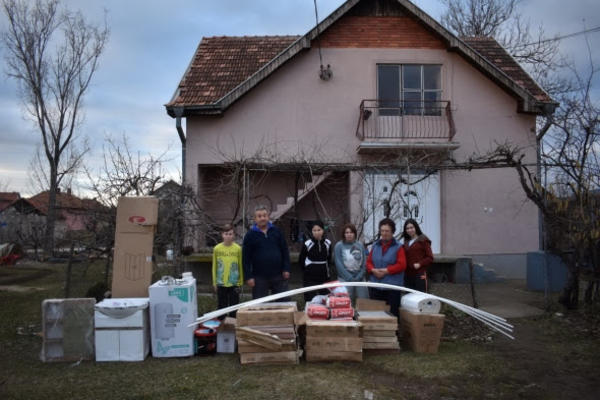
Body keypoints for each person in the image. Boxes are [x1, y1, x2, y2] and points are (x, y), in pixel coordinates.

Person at [242, 205, 291, 299]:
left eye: (264, 215)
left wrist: (286, 268)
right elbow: (245, 258)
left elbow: (285, 251)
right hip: (259, 277)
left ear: (268, 217)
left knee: (284, 303)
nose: (262, 218)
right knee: (260, 306)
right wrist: (248, 277)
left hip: (279, 275)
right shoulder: (250, 235)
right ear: (255, 219)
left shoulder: (276, 231)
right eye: (259, 216)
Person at [367, 218, 406, 317]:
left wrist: (387, 271)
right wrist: (373, 270)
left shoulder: (398, 247)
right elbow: (368, 262)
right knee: (376, 315)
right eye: (382, 231)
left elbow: (402, 265)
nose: (384, 233)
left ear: (392, 232)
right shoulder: (375, 245)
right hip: (375, 287)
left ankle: (394, 333)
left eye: (387, 231)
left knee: (392, 315)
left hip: (392, 287)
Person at [212, 224, 243, 317]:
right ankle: (222, 325)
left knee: (234, 306)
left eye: (230, 234)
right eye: (226, 234)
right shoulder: (217, 248)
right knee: (222, 306)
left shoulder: (238, 248)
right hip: (221, 282)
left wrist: (240, 282)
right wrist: (214, 282)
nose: (228, 236)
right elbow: (214, 266)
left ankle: (233, 325)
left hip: (234, 283)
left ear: (233, 235)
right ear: (222, 235)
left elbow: (240, 265)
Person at [334, 223, 368, 304]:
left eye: (351, 232)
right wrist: (349, 278)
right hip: (345, 278)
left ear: (355, 234)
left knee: (364, 301)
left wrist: (359, 276)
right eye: (347, 232)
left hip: (360, 278)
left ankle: (362, 316)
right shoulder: (339, 246)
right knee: (346, 302)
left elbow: (364, 262)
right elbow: (338, 263)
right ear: (344, 234)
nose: (349, 234)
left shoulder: (360, 245)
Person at [299, 221, 332, 301]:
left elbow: (329, 259)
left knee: (325, 299)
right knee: (309, 299)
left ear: (323, 230)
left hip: (324, 277)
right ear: (311, 231)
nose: (317, 232)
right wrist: (308, 270)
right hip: (310, 278)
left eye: (319, 230)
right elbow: (301, 260)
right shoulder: (307, 244)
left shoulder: (328, 243)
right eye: (314, 230)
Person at [402, 218, 434, 293]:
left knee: (420, 297)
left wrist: (420, 264)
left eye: (411, 227)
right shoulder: (406, 242)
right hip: (408, 275)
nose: (409, 230)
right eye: (407, 228)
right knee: (409, 298)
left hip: (420, 274)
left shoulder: (423, 240)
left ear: (416, 227)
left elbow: (430, 257)